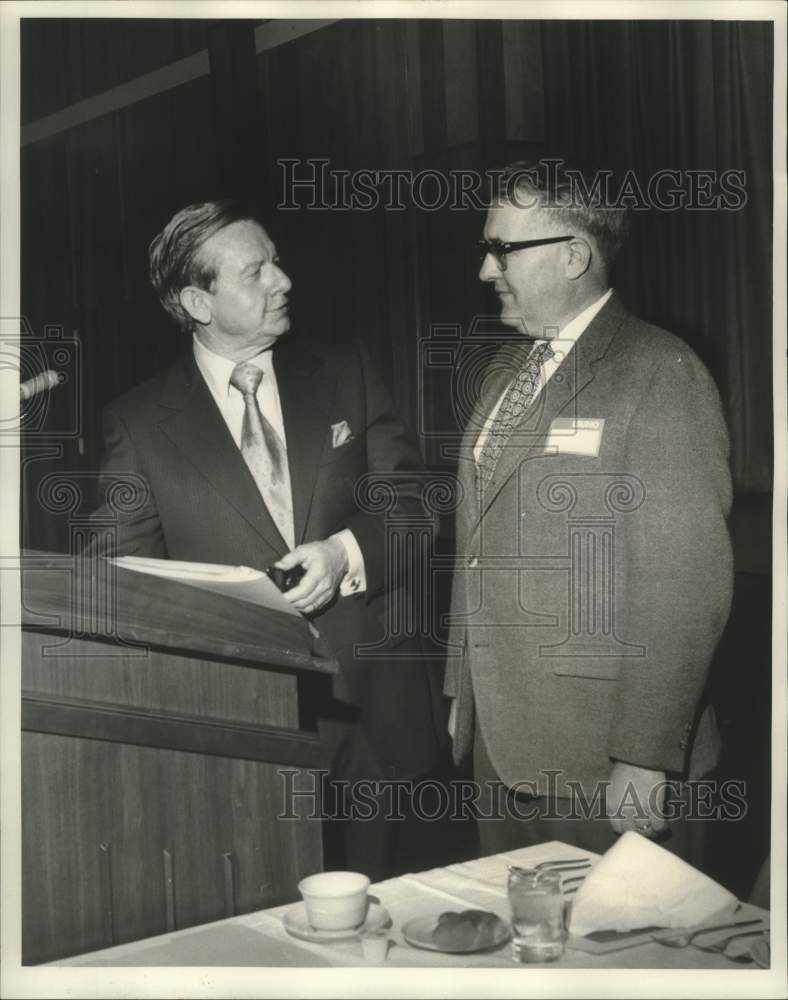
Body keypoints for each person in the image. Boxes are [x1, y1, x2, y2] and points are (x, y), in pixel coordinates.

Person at [90, 200, 446, 879]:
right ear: (198, 300)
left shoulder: (345, 371)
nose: (283, 281)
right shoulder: (137, 422)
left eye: (277, 261)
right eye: (256, 272)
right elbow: (119, 577)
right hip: (244, 718)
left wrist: (347, 553)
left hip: (377, 708)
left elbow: (417, 506)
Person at [444, 159, 733, 860]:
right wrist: (461, 689)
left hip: (604, 762)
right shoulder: (506, 373)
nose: (487, 270)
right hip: (499, 742)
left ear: (575, 255)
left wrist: (644, 755)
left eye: (502, 249)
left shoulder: (660, 372)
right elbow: (478, 540)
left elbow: (684, 583)